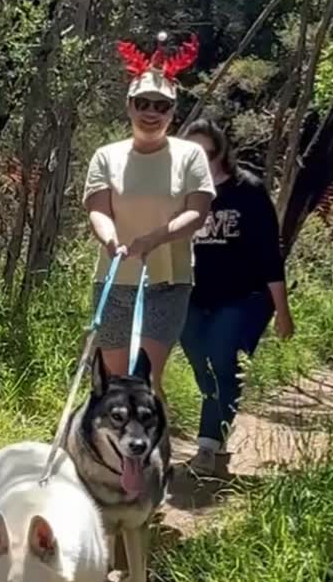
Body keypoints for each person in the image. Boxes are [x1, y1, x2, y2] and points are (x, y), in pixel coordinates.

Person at [82, 32, 215, 398]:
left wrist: (155, 238)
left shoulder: (191, 156)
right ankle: (108, 453)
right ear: (129, 106)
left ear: (173, 111)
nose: (151, 112)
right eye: (143, 103)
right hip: (115, 278)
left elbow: (197, 212)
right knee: (112, 384)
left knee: (145, 381)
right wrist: (110, 240)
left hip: (168, 281)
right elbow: (98, 209)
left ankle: (151, 453)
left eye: (161, 106)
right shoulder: (107, 156)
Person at [179, 117, 295, 476]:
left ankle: (207, 444)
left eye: (208, 153)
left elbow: (268, 254)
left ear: (221, 153)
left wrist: (282, 309)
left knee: (220, 357)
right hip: (192, 295)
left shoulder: (249, 190)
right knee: (201, 362)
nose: (202, 161)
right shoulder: (180, 192)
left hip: (243, 296)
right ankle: (220, 417)